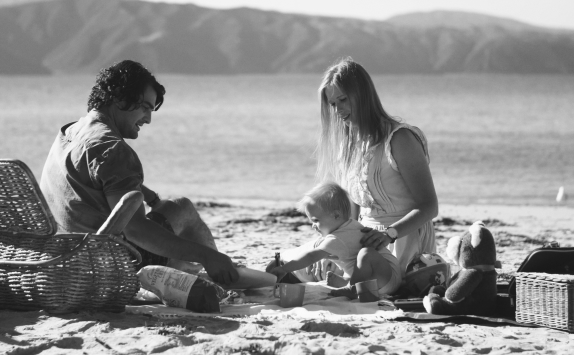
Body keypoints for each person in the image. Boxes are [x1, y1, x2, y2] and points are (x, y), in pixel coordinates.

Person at [39, 60, 238, 285]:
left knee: (165, 216)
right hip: (110, 263)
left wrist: (149, 196)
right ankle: (226, 277)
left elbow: (95, 177)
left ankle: (184, 267)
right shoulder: (113, 149)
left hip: (65, 258)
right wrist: (207, 256)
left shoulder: (71, 132)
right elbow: (136, 231)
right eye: (145, 107)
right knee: (182, 208)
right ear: (119, 98)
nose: (148, 119)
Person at [308, 57, 438, 285]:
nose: (338, 110)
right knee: (302, 264)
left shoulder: (400, 139)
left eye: (343, 100)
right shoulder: (348, 147)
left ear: (363, 95)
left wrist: (389, 234)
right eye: (333, 104)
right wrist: (332, 243)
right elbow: (352, 214)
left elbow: (429, 207)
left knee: (354, 278)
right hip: (363, 240)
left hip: (402, 240)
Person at [268, 183, 402, 298]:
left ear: (336, 215)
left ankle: (351, 288)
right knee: (354, 259)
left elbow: (311, 257)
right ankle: (347, 282)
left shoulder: (337, 238)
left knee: (366, 253)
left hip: (387, 279)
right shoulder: (351, 225)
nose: (313, 226)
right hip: (377, 279)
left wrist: (285, 268)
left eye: (316, 220)